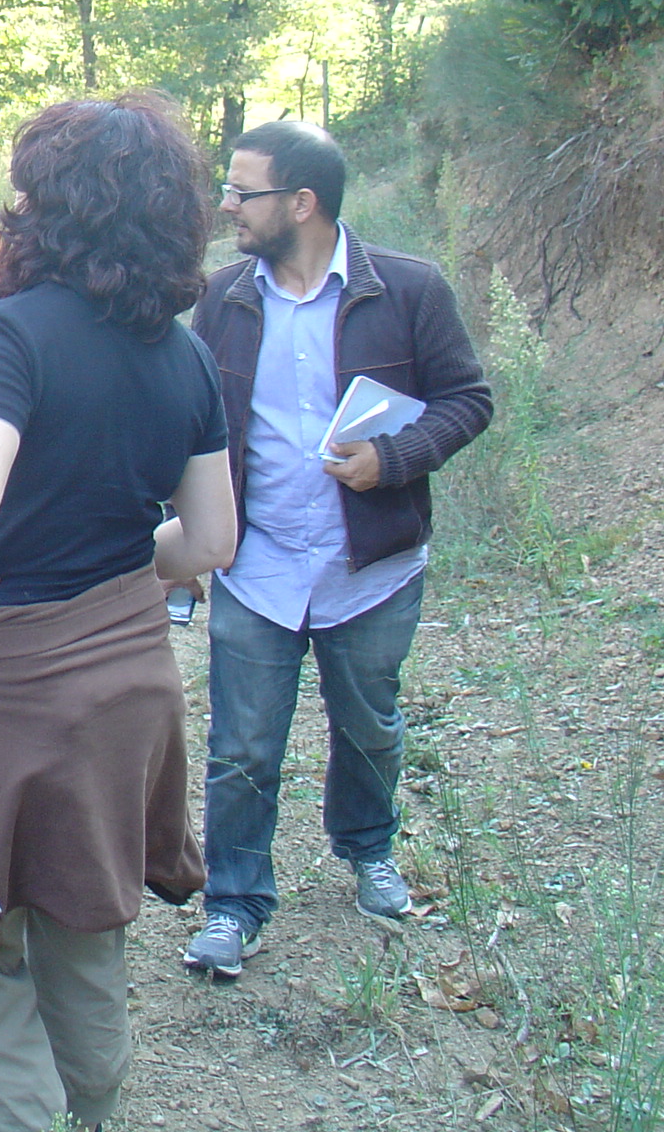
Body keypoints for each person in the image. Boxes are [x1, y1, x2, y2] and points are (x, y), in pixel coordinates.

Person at [0, 91, 238, 1132]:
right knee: (85, 933)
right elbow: (206, 545)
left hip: (2, 695)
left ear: (46, 212)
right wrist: (109, 566)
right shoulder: (186, 357)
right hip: (125, 691)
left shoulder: (4, 339)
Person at [182, 119, 493, 979]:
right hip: (258, 564)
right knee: (242, 744)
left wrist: (392, 459)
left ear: (302, 202)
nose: (229, 205)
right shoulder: (226, 298)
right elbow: (195, 423)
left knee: (369, 728)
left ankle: (366, 849)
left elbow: (468, 401)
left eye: (244, 191)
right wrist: (192, 540)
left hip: (373, 569)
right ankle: (234, 904)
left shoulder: (410, 289)